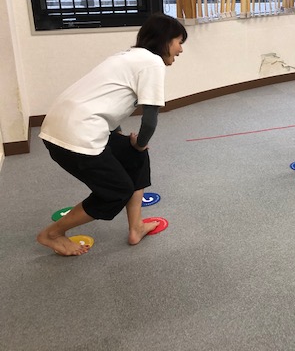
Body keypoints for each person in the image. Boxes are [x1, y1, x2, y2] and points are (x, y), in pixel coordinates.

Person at [36, 13, 187, 256]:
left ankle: (136, 228)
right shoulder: (153, 63)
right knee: (117, 191)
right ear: (165, 40)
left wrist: (130, 144)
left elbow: (105, 102)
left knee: (134, 155)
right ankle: (52, 234)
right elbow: (149, 121)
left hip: (62, 126)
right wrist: (140, 143)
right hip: (76, 136)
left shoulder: (126, 56)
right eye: (179, 42)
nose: (181, 49)